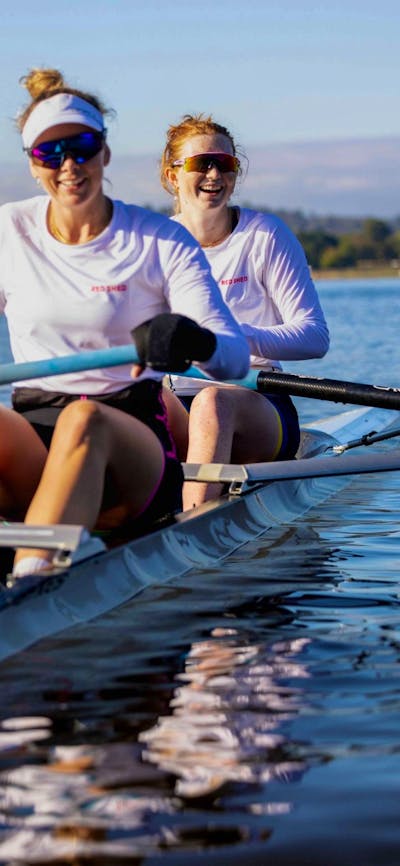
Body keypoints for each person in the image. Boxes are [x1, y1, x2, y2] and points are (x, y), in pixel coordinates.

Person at [0, 72, 249, 578]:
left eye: (83, 147)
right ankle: (38, 549)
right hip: (36, 435)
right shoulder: (9, 230)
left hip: (131, 445)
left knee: (82, 419)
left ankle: (31, 583)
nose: (69, 165)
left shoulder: (159, 240)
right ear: (32, 164)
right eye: (52, 153)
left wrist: (192, 338)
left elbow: (235, 356)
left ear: (105, 153)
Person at [160, 114, 330, 509]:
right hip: (179, 402)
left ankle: (193, 526)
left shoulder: (264, 235)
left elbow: (315, 336)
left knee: (212, 403)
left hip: (257, 403)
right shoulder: (154, 243)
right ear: (173, 176)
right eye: (202, 163)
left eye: (226, 163)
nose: (215, 173)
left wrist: (231, 338)